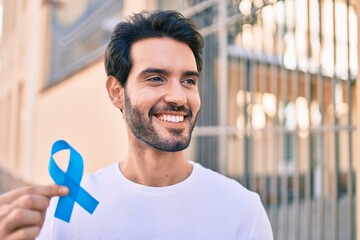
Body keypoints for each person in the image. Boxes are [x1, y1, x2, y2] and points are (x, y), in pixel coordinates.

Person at [1, 10, 273, 239]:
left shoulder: (242, 211)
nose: (179, 97)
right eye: (155, 78)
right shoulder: (67, 212)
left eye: (188, 81)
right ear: (117, 92)